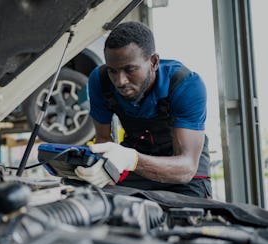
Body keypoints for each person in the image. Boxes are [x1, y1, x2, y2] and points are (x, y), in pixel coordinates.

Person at [74, 21, 212, 198]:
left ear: (154, 62)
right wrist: (99, 171)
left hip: (183, 172)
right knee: (101, 204)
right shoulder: (99, 81)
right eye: (113, 71)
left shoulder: (185, 84)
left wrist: (132, 159)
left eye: (130, 69)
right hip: (134, 159)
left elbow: (186, 168)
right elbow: (103, 139)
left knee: (190, 218)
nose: (120, 81)